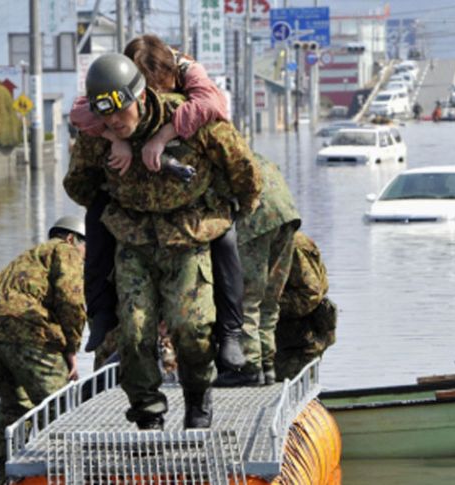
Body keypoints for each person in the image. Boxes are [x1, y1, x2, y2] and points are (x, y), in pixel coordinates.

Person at [64, 53, 262, 430]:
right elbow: (78, 183)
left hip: (188, 238)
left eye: (120, 113)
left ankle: (198, 398)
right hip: (134, 242)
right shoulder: (100, 131)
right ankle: (147, 410)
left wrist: (236, 207)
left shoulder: (188, 117)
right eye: (106, 117)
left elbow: (243, 167)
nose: (114, 122)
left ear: (140, 97)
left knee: (190, 326)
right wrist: (111, 156)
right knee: (134, 332)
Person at [0, 216, 87, 484]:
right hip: (23, 327)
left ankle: (5, 471)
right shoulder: (65, 250)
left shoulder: (30, 257)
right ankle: (67, 470)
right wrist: (71, 347)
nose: (87, 256)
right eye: (86, 247)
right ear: (71, 238)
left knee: (15, 403)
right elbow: (71, 299)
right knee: (61, 402)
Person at [214, 155, 301, 387]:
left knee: (246, 298)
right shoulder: (249, 153)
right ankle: (268, 367)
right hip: (286, 213)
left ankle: (249, 367)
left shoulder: (210, 156)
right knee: (270, 300)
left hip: (256, 219)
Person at [274, 231, 337, 381]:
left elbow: (310, 296)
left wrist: (266, 305)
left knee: (291, 393)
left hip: (298, 342)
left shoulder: (292, 244)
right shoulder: (267, 241)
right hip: (280, 340)